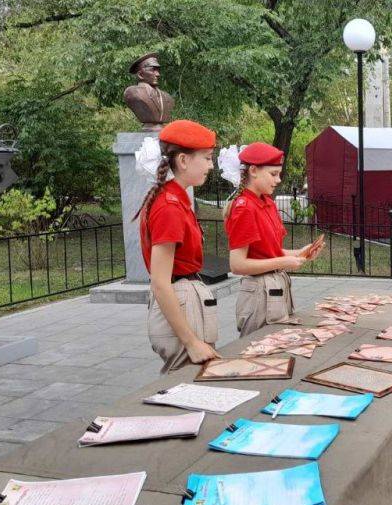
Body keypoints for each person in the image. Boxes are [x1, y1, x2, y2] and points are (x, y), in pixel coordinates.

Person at [135, 120, 221, 373]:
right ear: (183, 161)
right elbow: (160, 282)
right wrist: (191, 342)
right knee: (185, 383)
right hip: (180, 301)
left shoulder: (174, 199)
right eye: (206, 158)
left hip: (185, 298)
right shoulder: (169, 206)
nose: (210, 165)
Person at [223, 142, 322, 336]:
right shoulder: (244, 207)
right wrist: (284, 261)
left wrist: (301, 253)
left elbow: (269, 251)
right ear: (253, 170)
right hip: (260, 292)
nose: (278, 180)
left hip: (273, 288)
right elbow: (237, 264)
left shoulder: (265, 202)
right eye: (273, 174)